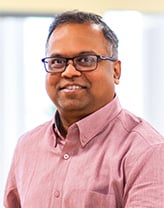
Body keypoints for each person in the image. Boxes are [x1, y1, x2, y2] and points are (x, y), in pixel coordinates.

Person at [4, 10, 164, 208]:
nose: (69, 72)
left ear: (116, 71)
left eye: (86, 60)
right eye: (57, 62)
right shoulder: (27, 147)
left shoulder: (147, 151)